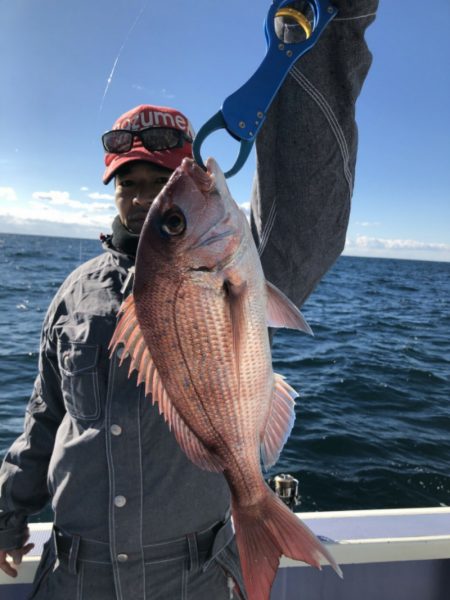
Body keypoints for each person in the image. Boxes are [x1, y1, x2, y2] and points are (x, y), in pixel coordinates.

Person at [0, 2, 378, 598]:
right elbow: (44, 419)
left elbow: (309, 206)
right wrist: (8, 510)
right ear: (113, 192)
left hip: (193, 576)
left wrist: (337, 27)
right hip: (73, 576)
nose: (145, 198)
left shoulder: (241, 261)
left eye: (162, 181)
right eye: (131, 183)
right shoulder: (74, 294)